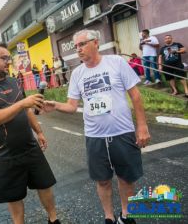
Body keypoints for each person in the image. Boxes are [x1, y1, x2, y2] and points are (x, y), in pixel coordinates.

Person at [43, 30, 150, 224]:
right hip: (95, 136)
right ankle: (108, 217)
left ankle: (126, 216)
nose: (78, 49)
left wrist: (142, 126)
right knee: (102, 179)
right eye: (76, 46)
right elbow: (72, 105)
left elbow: (135, 95)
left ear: (95, 43)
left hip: (122, 132)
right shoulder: (77, 73)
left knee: (126, 178)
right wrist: (56, 105)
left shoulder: (116, 62)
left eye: (82, 44)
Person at [0, 42, 60, 224]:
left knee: (45, 184)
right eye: (4, 58)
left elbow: (27, 111)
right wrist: (22, 103)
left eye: (9, 58)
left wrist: (39, 131)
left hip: (29, 146)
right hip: (4, 154)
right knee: (14, 197)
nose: (8, 62)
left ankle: (53, 219)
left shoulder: (12, 81)